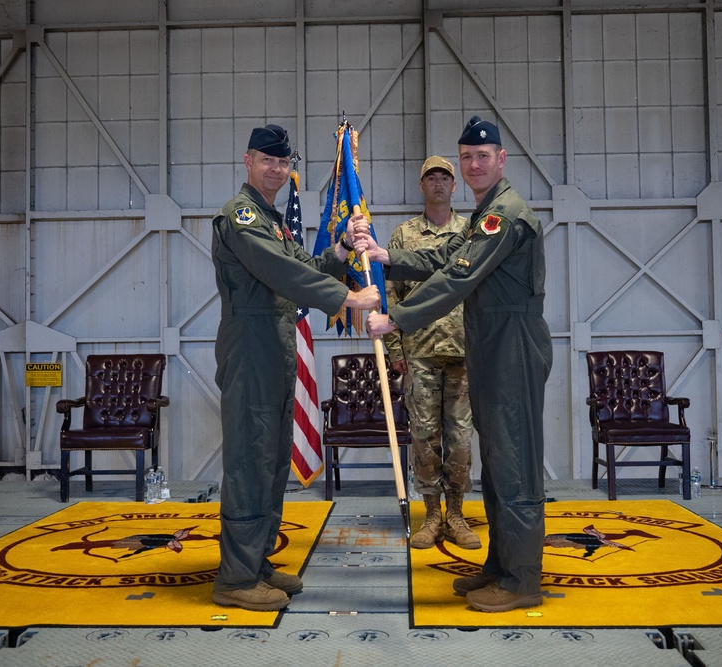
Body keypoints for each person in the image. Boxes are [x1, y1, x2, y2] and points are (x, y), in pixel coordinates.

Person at [362, 116, 552, 612]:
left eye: (481, 156)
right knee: (497, 466)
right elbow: (447, 254)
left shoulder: (503, 215)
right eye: (466, 156)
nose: (472, 165)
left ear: (501, 159)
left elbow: (456, 279)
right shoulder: (483, 214)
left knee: (514, 466)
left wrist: (395, 319)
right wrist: (387, 256)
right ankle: (500, 566)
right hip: (490, 345)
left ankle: (521, 581)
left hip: (511, 345)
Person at [210, 124, 380, 611]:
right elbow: (282, 272)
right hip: (251, 348)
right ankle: (236, 578)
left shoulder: (273, 220)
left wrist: (343, 251)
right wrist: (348, 297)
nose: (277, 170)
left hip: (277, 346)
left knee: (270, 459)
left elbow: (303, 263)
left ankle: (257, 563)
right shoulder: (241, 217)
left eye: (284, 164)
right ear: (248, 161)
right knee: (248, 461)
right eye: (268, 161)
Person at [383, 156, 477, 550]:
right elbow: (390, 294)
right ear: (422, 186)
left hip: (463, 350)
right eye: (431, 178)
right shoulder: (403, 235)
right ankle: (432, 513)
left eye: (444, 178)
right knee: (424, 436)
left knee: (460, 439)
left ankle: (456, 513)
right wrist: (393, 349)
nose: (438, 184)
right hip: (419, 351)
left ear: (454, 186)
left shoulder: (472, 231)